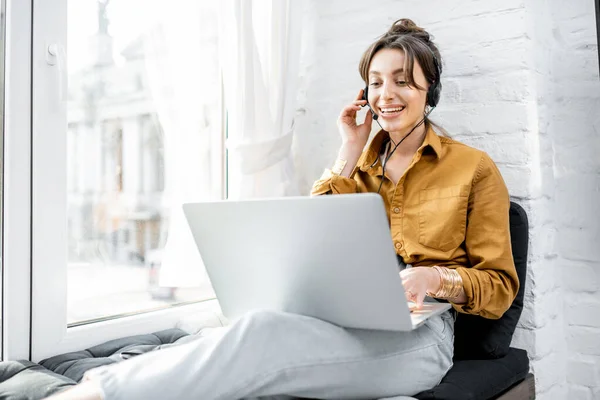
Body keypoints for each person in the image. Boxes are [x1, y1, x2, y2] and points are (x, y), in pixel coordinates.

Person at [47, 18, 518, 400]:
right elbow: (310, 245)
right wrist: (348, 149)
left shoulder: (473, 168)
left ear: (429, 89)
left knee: (261, 340)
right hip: (341, 320)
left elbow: (499, 288)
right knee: (257, 326)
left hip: (422, 341)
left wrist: (433, 278)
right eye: (375, 83)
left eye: (402, 81)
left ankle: (96, 394)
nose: (385, 94)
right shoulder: (358, 167)